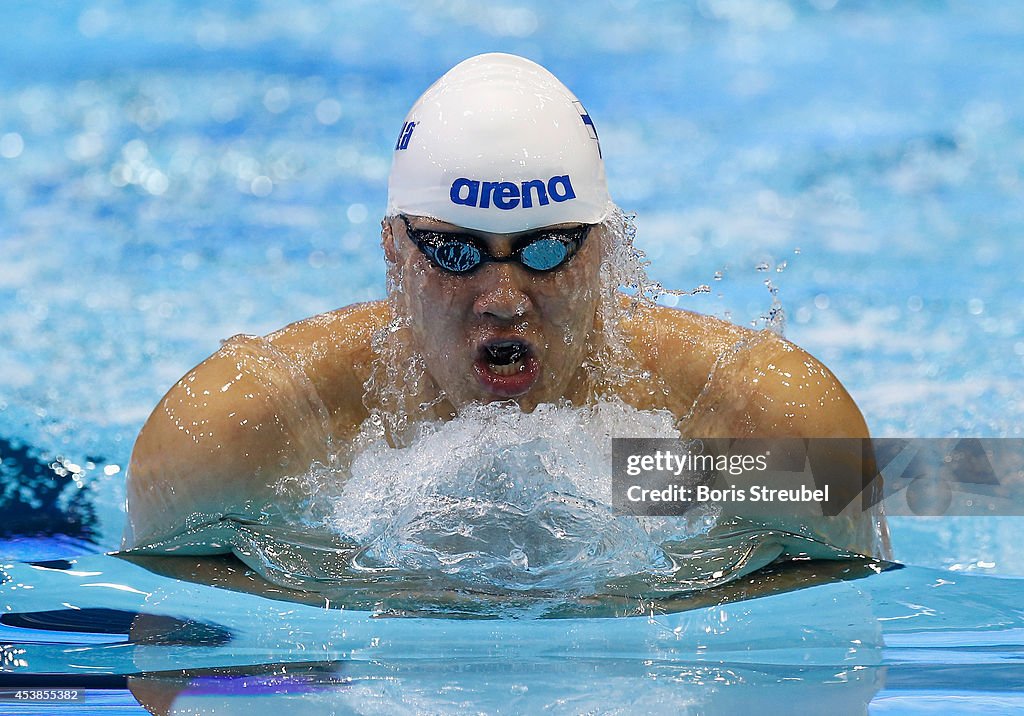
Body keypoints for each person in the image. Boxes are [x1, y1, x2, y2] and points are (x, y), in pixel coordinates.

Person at [123, 53, 883, 556]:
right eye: (455, 252)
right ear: (394, 250)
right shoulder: (238, 434)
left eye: (548, 248)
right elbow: (174, 668)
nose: (504, 301)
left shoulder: (760, 422)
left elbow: (841, 646)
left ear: (607, 248)